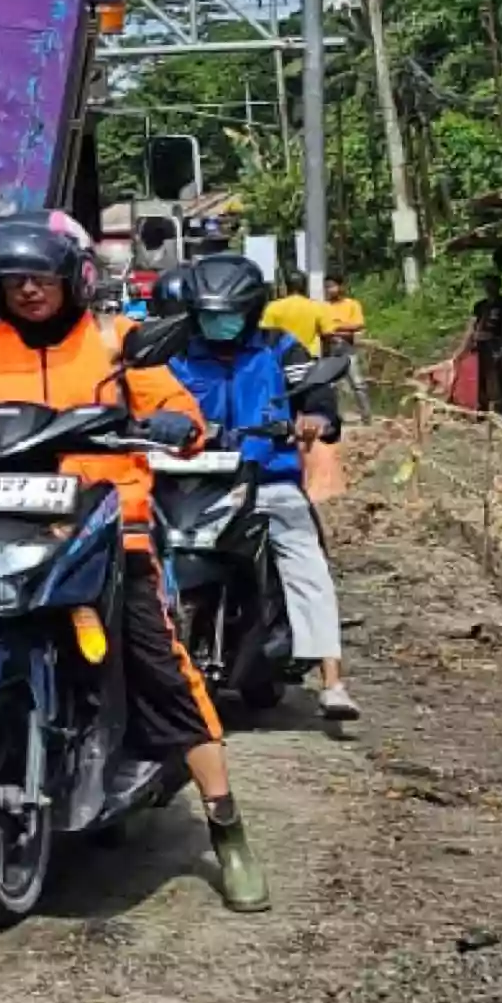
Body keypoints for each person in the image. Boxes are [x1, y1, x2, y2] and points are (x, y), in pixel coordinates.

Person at [0, 214, 269, 911]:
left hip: (108, 527)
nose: (27, 291)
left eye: (40, 278)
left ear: (72, 279)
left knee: (161, 668)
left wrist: (174, 423)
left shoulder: (119, 341)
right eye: (12, 280)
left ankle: (226, 827)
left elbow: (176, 407)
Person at [162, 253, 359, 727]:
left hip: (268, 479)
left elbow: (313, 392)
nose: (219, 323)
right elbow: (141, 392)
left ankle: (332, 681)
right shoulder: (174, 351)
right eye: (210, 314)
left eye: (229, 314)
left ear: (250, 311)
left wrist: (317, 417)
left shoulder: (279, 347)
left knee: (305, 559)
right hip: (185, 481)